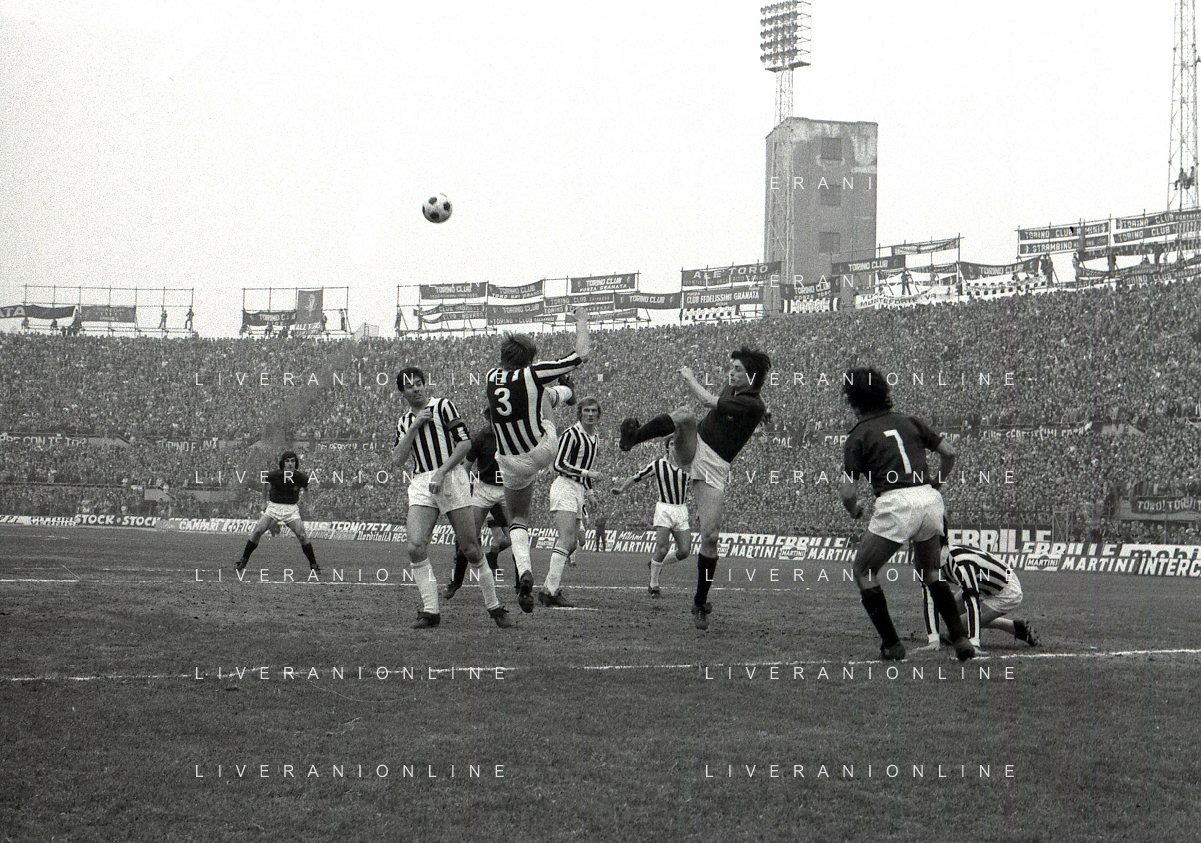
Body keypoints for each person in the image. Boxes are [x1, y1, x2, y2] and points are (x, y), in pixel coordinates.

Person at [619, 345, 770, 630]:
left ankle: (700, 603)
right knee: (685, 414)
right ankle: (633, 437)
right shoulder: (738, 392)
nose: (731, 373)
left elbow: (708, 400)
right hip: (695, 445)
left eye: (738, 369)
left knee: (710, 536)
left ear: (752, 376)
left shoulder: (753, 404)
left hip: (715, 467)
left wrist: (689, 377)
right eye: (732, 367)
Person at [838, 366, 974, 662]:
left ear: (853, 400)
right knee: (930, 572)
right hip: (929, 499)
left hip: (896, 501)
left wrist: (855, 510)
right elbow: (949, 452)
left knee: (863, 570)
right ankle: (960, 638)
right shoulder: (910, 421)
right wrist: (937, 482)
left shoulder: (858, 435)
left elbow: (848, 492)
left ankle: (892, 645)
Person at [485, 306, 590, 612]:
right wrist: (581, 320)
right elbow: (581, 354)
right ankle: (567, 393)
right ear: (529, 358)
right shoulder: (533, 373)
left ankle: (524, 570)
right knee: (544, 396)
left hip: (509, 459)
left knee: (518, 518)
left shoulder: (490, 376)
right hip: (543, 449)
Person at [394, 367, 512, 629]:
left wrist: (442, 471)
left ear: (425, 384)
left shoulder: (443, 406)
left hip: (451, 477)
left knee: (470, 549)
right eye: (409, 386)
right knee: (415, 546)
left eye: (419, 383)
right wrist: (414, 425)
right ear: (402, 392)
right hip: (422, 481)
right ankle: (431, 611)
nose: (416, 388)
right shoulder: (404, 422)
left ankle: (494, 606)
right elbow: (398, 459)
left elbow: (464, 443)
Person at [916, 528, 1040, 652]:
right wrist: (933, 640)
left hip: (1005, 590)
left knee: (957, 630)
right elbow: (930, 598)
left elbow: (972, 600)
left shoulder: (960, 563)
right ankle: (1016, 627)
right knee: (948, 613)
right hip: (982, 584)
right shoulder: (927, 563)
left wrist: (974, 643)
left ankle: (1016, 629)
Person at [539, 397, 603, 607]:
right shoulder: (571, 434)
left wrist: (590, 492)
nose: (590, 414)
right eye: (586, 411)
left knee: (573, 542)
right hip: (565, 486)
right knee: (566, 540)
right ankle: (550, 591)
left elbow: (586, 466)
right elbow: (559, 464)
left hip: (578, 490)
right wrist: (587, 474)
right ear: (580, 413)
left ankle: (547, 589)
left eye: (593, 411)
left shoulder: (595, 437)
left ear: (598, 414)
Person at [444, 410, 512, 600]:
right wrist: (463, 492)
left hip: (506, 490)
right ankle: (456, 582)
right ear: (488, 418)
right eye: (493, 417)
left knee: (515, 537)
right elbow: (466, 467)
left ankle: (521, 588)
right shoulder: (480, 437)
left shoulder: (511, 435)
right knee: (469, 537)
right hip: (483, 489)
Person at [612, 436, 691, 597]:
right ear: (667, 447)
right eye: (672, 443)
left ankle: (655, 564)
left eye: (678, 444)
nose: (675, 446)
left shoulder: (688, 467)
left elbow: (698, 485)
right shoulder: (658, 465)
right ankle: (653, 585)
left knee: (684, 551)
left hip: (681, 510)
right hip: (664, 509)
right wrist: (621, 489)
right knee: (662, 548)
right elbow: (636, 477)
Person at [235, 451, 321, 575]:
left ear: (296, 463)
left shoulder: (301, 477)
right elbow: (265, 483)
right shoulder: (274, 475)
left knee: (302, 535)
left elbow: (306, 489)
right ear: (283, 463)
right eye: (287, 461)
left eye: (293, 461)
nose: (290, 464)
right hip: (274, 508)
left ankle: (313, 564)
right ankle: (243, 560)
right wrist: (263, 501)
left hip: (291, 509)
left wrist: (308, 504)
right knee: (258, 531)